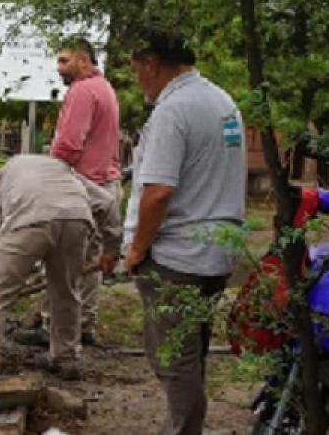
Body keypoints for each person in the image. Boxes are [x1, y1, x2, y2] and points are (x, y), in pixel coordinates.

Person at [122, 30, 246, 435]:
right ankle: (182, 425)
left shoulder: (173, 111)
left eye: (135, 68)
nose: (136, 79)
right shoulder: (222, 101)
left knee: (173, 360)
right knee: (191, 355)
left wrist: (137, 249)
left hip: (177, 258)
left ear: (151, 64)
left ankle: (184, 430)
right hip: (215, 255)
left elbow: (158, 193)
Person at [0, 154, 120, 379]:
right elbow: (108, 202)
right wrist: (111, 249)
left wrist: (0, 257)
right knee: (66, 291)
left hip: (30, 218)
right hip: (76, 220)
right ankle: (66, 358)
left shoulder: (5, 173)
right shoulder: (65, 171)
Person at [50, 36, 121, 345]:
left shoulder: (81, 91)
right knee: (91, 260)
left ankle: (60, 327)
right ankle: (86, 325)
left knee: (64, 258)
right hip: (106, 184)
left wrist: (50, 176)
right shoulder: (104, 88)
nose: (59, 68)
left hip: (84, 186)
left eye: (64, 61)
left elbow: (68, 144)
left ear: (83, 60)